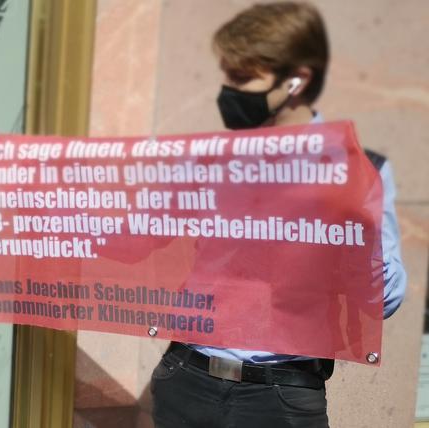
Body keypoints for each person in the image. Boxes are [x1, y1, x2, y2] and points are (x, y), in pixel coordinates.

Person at [150, 3, 407, 427]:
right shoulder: (212, 161)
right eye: (227, 76)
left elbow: (386, 299)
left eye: (243, 78)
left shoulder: (358, 170)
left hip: (280, 397)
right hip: (186, 377)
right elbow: (140, 237)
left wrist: (356, 229)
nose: (229, 91)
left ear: (296, 81)